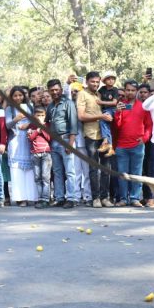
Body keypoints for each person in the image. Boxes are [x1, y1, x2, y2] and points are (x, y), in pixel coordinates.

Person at [77, 71, 114, 208]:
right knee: (93, 168)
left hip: (105, 136)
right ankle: (96, 198)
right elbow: (81, 116)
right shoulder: (82, 94)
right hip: (91, 135)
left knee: (106, 168)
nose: (95, 84)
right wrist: (101, 117)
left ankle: (105, 197)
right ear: (87, 82)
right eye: (93, 81)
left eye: (98, 82)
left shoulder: (99, 94)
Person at [114, 80, 151, 207]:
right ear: (124, 91)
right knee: (122, 174)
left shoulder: (143, 106)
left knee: (136, 173)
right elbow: (117, 126)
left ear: (137, 92)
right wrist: (118, 112)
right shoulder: (120, 106)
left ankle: (135, 198)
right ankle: (123, 199)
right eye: (128, 90)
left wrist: (144, 138)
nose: (130, 92)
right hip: (121, 146)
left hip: (138, 145)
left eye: (133, 90)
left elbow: (149, 125)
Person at [46, 79, 80, 208]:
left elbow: (73, 124)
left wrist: (70, 143)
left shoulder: (68, 103)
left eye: (57, 89)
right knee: (57, 171)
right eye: (52, 90)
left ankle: (71, 198)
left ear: (61, 90)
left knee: (70, 171)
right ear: (49, 91)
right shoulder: (51, 106)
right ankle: (59, 197)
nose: (55, 92)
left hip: (66, 140)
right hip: (54, 141)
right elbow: (47, 122)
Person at [5, 87, 37, 207]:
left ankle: (31, 196)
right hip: (15, 140)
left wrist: (29, 124)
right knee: (17, 170)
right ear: (12, 97)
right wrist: (16, 119)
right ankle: (20, 198)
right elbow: (8, 125)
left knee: (30, 170)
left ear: (24, 96)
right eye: (15, 96)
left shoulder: (30, 107)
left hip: (28, 139)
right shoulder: (9, 108)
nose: (18, 98)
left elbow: (36, 120)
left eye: (20, 95)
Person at [27, 107, 52, 209]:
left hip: (46, 153)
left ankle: (45, 199)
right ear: (34, 116)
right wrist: (37, 130)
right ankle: (40, 198)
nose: (40, 117)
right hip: (35, 154)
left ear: (45, 116)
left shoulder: (47, 125)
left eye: (42, 115)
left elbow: (49, 138)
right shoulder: (32, 126)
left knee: (45, 177)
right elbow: (31, 138)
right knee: (37, 177)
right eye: (38, 115)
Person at [97, 70, 119, 156]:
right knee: (105, 125)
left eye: (112, 79)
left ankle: (106, 140)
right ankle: (109, 146)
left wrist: (101, 102)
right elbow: (97, 95)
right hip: (104, 110)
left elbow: (114, 103)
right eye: (108, 79)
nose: (111, 80)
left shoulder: (115, 90)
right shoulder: (102, 89)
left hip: (112, 110)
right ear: (104, 81)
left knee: (103, 119)